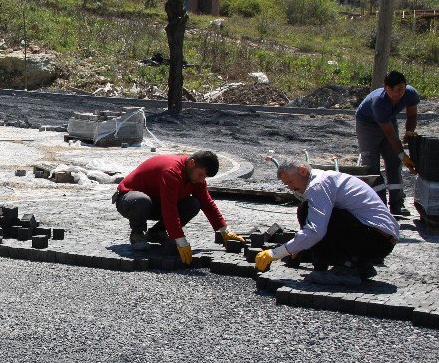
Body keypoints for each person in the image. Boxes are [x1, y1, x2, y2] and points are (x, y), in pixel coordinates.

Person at [255, 160, 399, 286]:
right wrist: (299, 245)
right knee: (307, 209)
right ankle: (360, 265)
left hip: (377, 241)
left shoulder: (317, 185)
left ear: (302, 171)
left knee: (314, 215)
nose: (291, 188)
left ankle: (345, 269)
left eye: (290, 182)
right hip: (380, 240)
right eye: (287, 185)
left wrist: (276, 253)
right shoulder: (326, 178)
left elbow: (315, 231)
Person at [113, 150, 245, 265]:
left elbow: (207, 203)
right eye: (201, 175)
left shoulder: (195, 176)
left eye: (204, 177)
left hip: (155, 202)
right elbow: (169, 208)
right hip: (128, 199)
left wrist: (224, 231)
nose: (201, 179)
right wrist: (181, 241)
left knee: (193, 204)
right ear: (192, 163)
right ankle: (137, 234)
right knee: (141, 201)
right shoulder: (171, 171)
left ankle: (156, 233)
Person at [354, 70, 419, 215]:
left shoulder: (410, 94)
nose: (397, 94)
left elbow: (412, 115)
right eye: (392, 90)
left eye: (400, 89)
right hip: (367, 125)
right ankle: (379, 206)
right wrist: (405, 158)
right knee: (371, 166)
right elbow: (391, 136)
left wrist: (409, 131)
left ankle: (397, 204)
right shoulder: (379, 102)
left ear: (405, 86)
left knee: (394, 163)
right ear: (385, 88)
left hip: (388, 120)